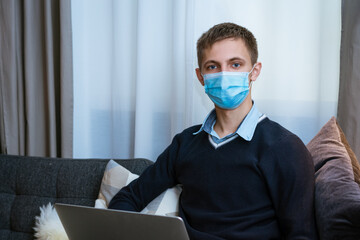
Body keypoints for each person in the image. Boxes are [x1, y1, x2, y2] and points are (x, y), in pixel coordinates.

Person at [109, 22, 318, 240]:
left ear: (254, 72)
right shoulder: (185, 143)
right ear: (201, 77)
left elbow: (302, 235)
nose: (224, 74)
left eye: (235, 65)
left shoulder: (285, 147)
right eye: (212, 67)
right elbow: (129, 197)